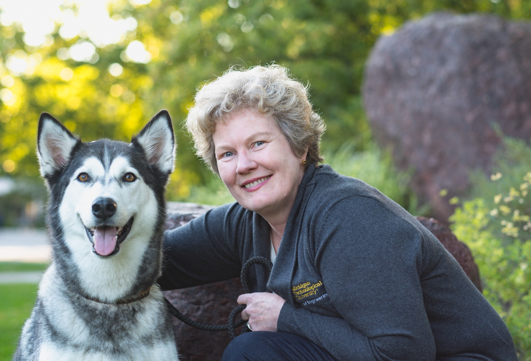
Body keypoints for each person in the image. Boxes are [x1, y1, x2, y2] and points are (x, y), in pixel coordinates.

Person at [158, 65, 518, 361]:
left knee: (254, 353)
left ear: (299, 147)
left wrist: (285, 318)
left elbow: (402, 354)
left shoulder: (349, 218)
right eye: (227, 154)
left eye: (258, 143)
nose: (245, 165)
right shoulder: (244, 221)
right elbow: (156, 261)